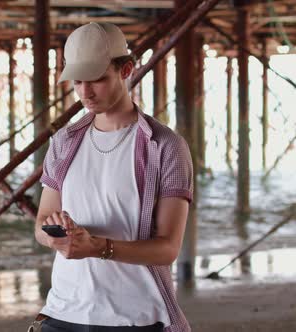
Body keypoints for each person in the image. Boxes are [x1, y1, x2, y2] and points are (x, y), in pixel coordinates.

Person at [29, 23, 193, 332]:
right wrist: (54, 235)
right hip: (63, 313)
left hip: (136, 318)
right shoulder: (64, 142)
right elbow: (40, 225)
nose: (85, 93)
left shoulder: (166, 148)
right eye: (77, 81)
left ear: (126, 69)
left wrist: (98, 247)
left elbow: (168, 248)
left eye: (97, 80)